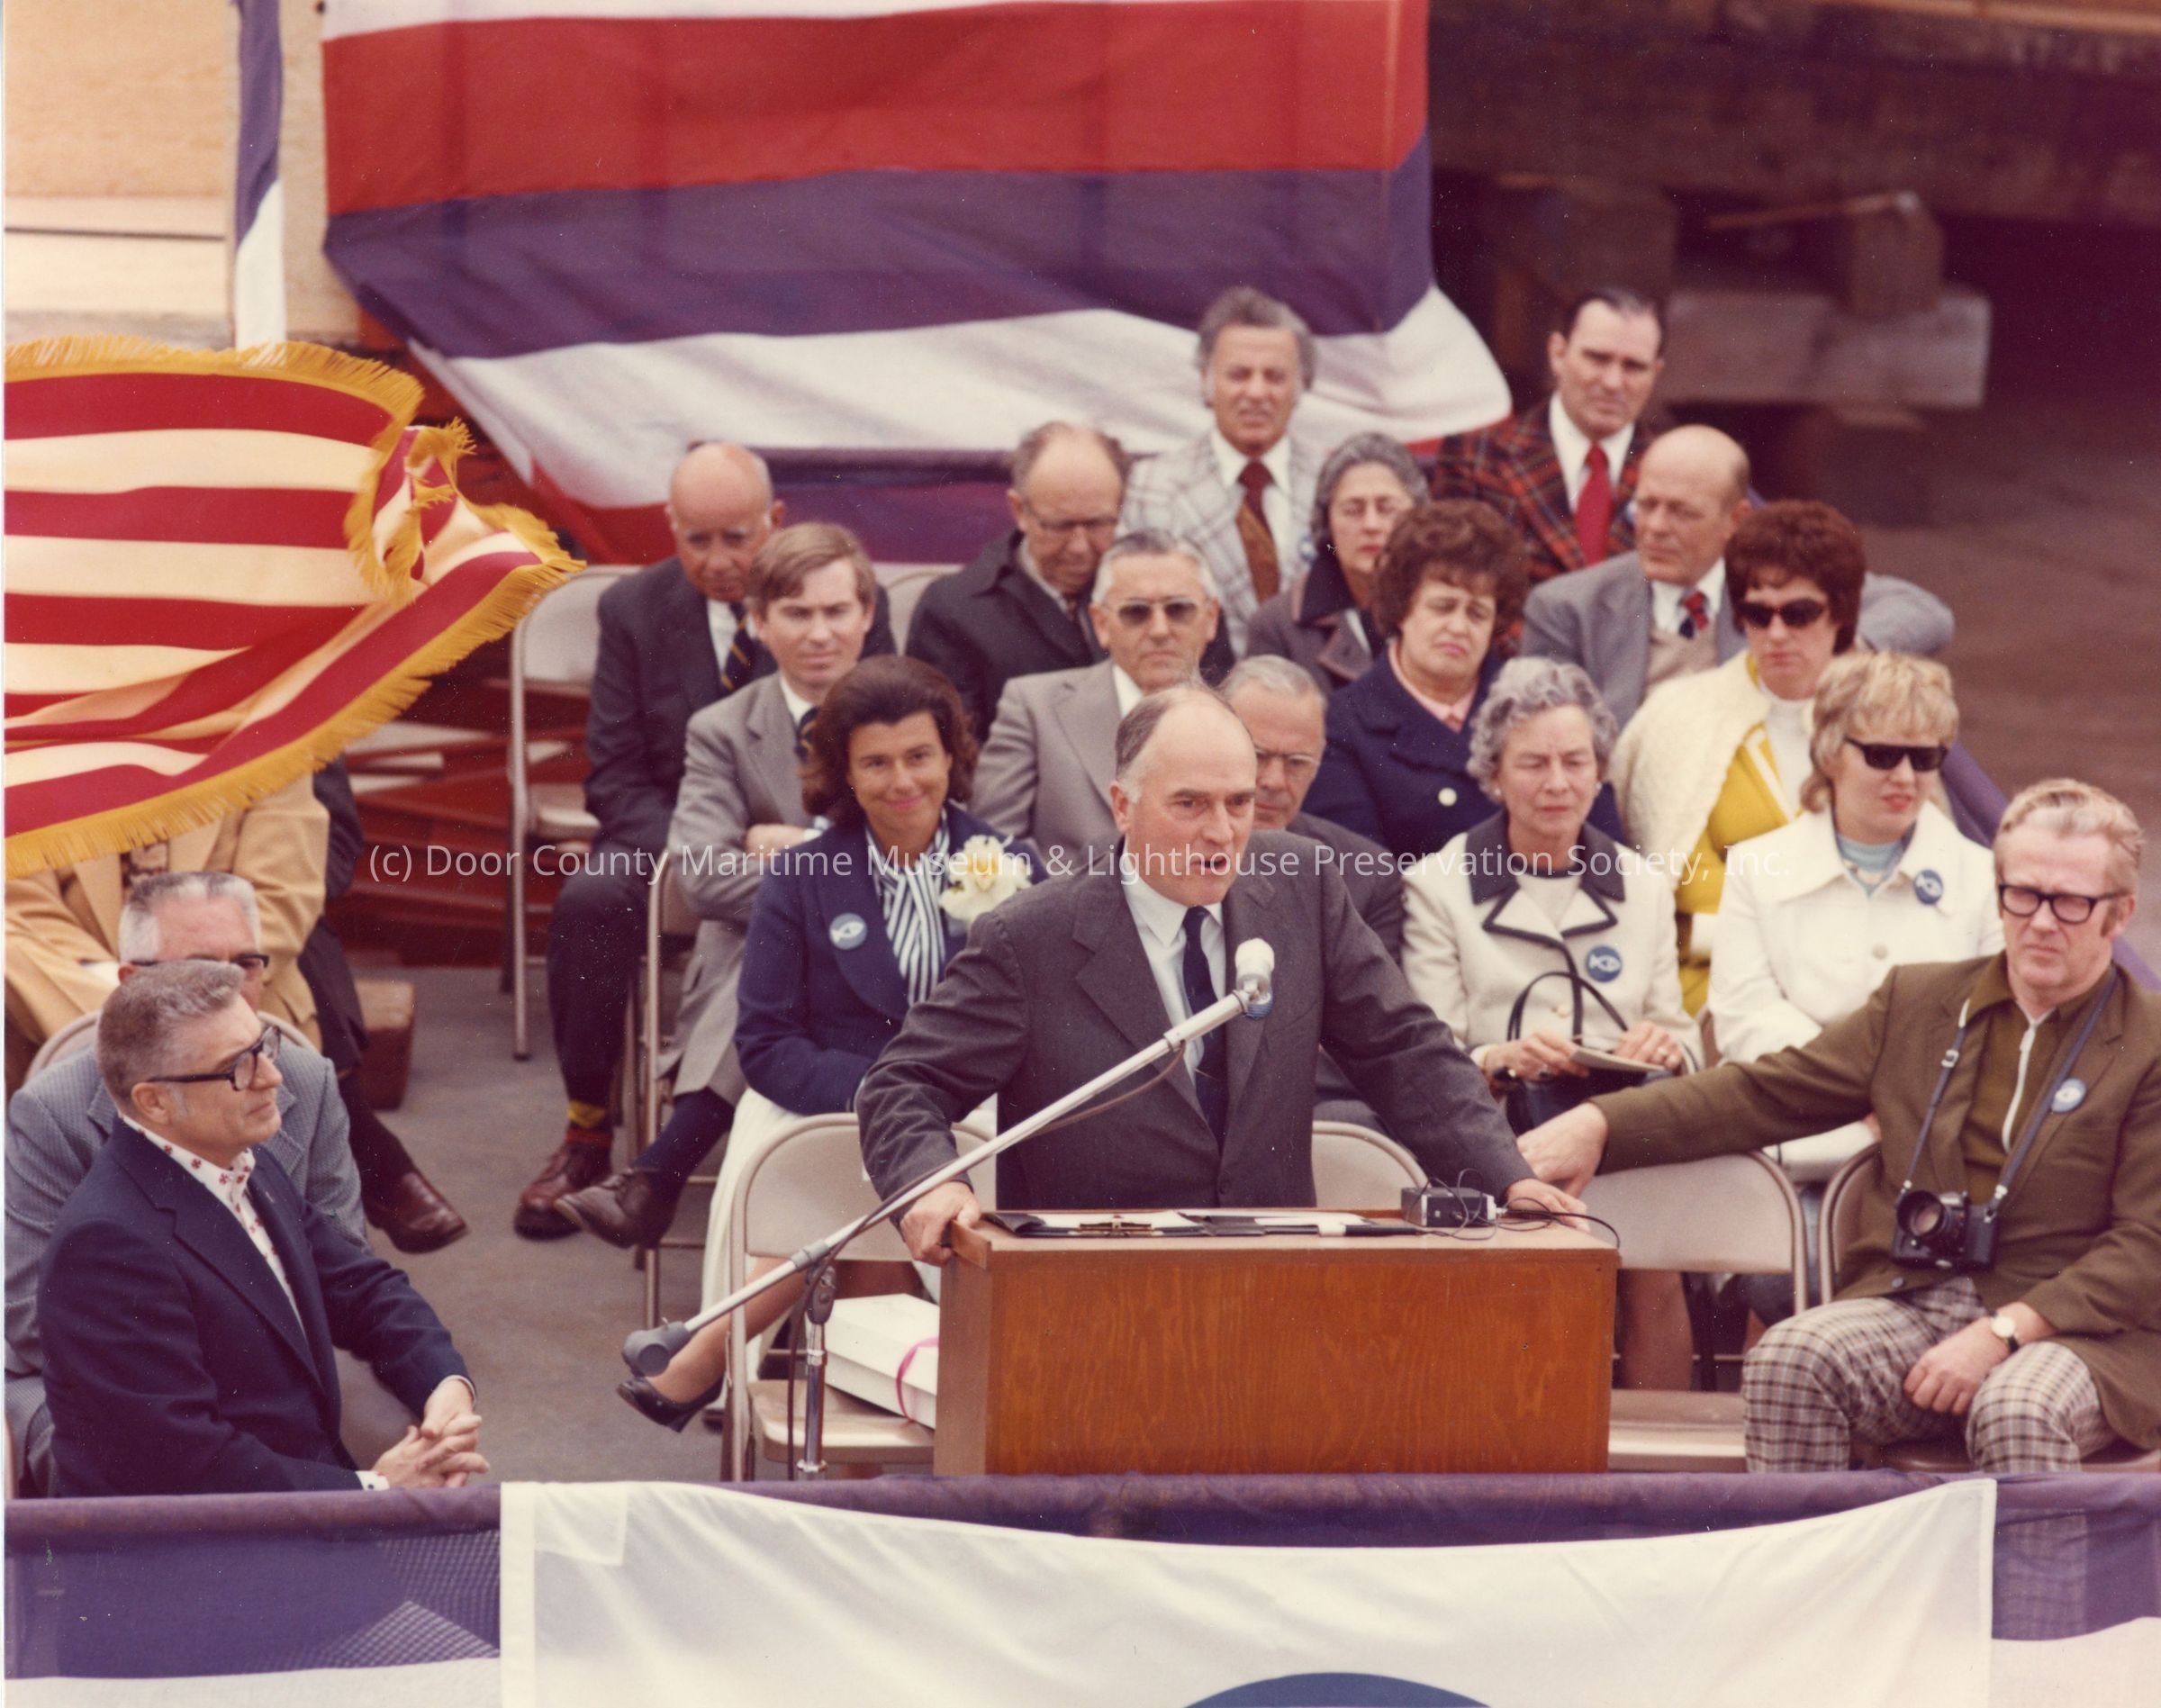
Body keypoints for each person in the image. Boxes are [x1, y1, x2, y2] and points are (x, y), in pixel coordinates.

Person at [1521, 780, 2161, 1475]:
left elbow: (2146, 1243)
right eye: (2022, 894)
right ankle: (1814, 1552)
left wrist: (2006, 1330)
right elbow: (1761, 1093)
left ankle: (2031, 1558)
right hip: (1913, 1300)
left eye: (2071, 902)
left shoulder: (2148, 1041)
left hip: (2078, 1331)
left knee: (2017, 1406)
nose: (2041, 921)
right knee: (1790, 1359)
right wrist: (1602, 1124)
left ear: (2119, 913)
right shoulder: (1919, 1002)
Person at [855, 685, 1586, 1263]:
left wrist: (1507, 1174)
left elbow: (1404, 1050)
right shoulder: (1031, 938)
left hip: (1267, 1278)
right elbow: (904, 1082)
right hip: (1091, 1291)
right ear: (1122, 805)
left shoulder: (1302, 885)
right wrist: (934, 1184)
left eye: (1239, 803)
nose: (1222, 831)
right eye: (1190, 804)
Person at [618, 657, 1038, 1428]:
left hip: (969, 1111)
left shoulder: (1013, 867)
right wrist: (883, 1097)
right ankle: (860, 1421)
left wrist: (920, 1105)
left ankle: (707, 1351)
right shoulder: (800, 875)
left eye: (920, 755)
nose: (902, 780)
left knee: (879, 1180)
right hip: (823, 1100)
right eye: (875, 762)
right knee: (842, 1161)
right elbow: (766, 1043)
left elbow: (1029, 1032)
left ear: (951, 756)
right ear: (843, 771)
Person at [528, 445, 893, 1234]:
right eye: (698, 540)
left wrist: (802, 853)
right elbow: (615, 772)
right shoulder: (633, 608)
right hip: (668, 826)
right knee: (592, 902)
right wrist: (712, 841)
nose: (720, 560)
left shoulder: (835, 596)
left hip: (818, 834)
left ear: (774, 521)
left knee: (770, 933)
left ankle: (661, 1168)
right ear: (671, 527)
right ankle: (587, 1128)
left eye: (737, 537)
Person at [36, 963, 487, 1496]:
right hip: (201, 1538)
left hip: (292, 1502)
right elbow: (183, 1464)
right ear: (153, 1101)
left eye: (263, 1046)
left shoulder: (239, 1160)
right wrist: (375, 1491)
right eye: (237, 1068)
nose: (272, 1076)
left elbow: (363, 1289)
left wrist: (444, 1385)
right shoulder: (106, 1247)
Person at [5, 872, 374, 1495]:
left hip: (273, 1372)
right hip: (109, 1391)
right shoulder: (50, 1111)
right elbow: (26, 1319)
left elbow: (347, 1262)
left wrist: (446, 1383)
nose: (232, 987)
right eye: (202, 969)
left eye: (247, 964)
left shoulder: (304, 1079)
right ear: (131, 982)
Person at [1399, 657, 1698, 1387]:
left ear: (1600, 772)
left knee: (1656, 1270)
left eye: (1575, 761)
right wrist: (1501, 1055)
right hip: (1501, 1130)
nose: (1557, 782)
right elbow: (1430, 1047)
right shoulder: (1436, 885)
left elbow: (1678, 1027)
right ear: (1494, 774)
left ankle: (1661, 1449)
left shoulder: (1644, 885)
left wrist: (1665, 1043)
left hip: (1621, 1122)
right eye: (1533, 763)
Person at [1714, 655, 2002, 1309]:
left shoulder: (1985, 877)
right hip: (1804, 1151)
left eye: (1925, 758)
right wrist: (1865, 1089)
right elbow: (1744, 1016)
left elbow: (1994, 1026)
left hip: (1945, 1160)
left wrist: (1903, 1102)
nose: (1905, 776)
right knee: (1788, 1279)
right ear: (1829, 751)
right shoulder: (1757, 867)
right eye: (1881, 754)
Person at [1609, 499, 1865, 1014]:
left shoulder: (1885, 713)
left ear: (1839, 612)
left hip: (1860, 992)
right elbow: (1674, 896)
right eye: (1757, 613)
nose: (1776, 634)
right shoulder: (1676, 716)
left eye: (1799, 613)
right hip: (1715, 992)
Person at [1521, 426, 1955, 725]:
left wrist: (1839, 647)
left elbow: (1924, 612)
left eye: (1681, 512)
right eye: (1647, 505)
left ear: (1737, 519)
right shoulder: (1567, 607)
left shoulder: (1772, 588)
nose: (1655, 527)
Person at [1303, 500, 1623, 862]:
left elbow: (1607, 851)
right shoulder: (1344, 725)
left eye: (1477, 613)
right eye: (1442, 607)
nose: (1458, 627)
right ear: (1402, 607)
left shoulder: (1537, 704)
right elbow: (1359, 873)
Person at [5, 774, 327, 1086]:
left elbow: (280, 899)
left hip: (242, 1015)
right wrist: (124, 993)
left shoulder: (268, 749)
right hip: (79, 1000)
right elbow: (22, 908)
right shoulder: (36, 754)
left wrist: (181, 995)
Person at [972, 530, 1225, 878]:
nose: (1159, 630)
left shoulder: (1243, 714)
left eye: (1179, 609)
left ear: (1211, 618)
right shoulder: (1034, 707)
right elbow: (993, 844)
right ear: (1101, 623)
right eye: (1136, 612)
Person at [1119, 286, 1324, 652]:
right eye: (1239, 375)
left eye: (1275, 377)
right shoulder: (1152, 488)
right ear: (1206, 381)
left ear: (1300, 386)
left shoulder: (1332, 482)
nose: (1257, 392)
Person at [905, 423, 1126, 739]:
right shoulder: (952, 611)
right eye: (1059, 526)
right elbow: (953, 750)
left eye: (1097, 524)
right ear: (1019, 510)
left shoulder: (1159, 596)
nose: (1080, 547)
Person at [1433, 287, 1663, 583]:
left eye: (1634, 366)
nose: (1613, 382)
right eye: (1597, 358)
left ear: (1656, 373)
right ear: (1558, 354)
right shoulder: (1475, 457)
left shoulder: (1679, 472)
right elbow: (1453, 586)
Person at [1222, 655, 1401, 956]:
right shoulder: (1164, 854)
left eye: (1297, 762)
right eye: (1257, 755)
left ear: (1319, 761)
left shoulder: (1366, 875)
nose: (1274, 781)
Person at [1246, 433, 1427, 696]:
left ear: (1418, 516)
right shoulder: (1277, 625)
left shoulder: (1449, 610)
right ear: (1326, 522)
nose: (1371, 525)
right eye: (1353, 510)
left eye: (1387, 508)